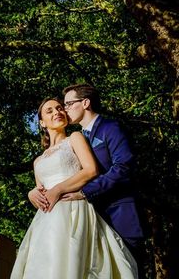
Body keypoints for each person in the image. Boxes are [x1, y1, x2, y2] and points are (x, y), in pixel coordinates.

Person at [11, 98, 137, 278]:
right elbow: (41, 193)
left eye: (60, 108)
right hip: (47, 220)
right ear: (41, 123)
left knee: (75, 262)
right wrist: (31, 193)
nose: (57, 112)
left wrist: (59, 189)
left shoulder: (75, 138)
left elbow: (90, 170)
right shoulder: (37, 161)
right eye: (50, 111)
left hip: (75, 211)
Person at [60, 84, 145, 265]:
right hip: (92, 220)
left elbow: (123, 167)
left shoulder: (111, 128)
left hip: (121, 214)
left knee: (129, 268)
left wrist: (85, 192)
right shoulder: (76, 139)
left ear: (85, 103)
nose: (65, 109)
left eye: (68, 104)